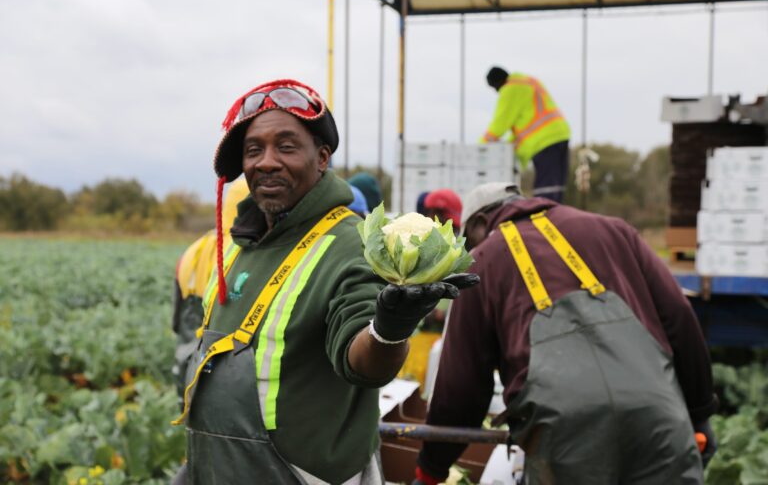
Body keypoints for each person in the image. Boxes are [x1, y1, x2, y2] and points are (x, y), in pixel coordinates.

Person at [172, 79, 478, 485]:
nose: (266, 161)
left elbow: (363, 363)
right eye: (253, 149)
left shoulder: (352, 244)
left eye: (286, 145)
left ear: (321, 158)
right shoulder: (239, 244)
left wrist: (389, 330)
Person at [414, 183, 718, 485]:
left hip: (564, 441)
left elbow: (461, 386)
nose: (472, 250)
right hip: (659, 420)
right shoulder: (614, 230)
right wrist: (700, 412)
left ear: (480, 223)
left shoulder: (482, 263)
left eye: (470, 241)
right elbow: (679, 318)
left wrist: (431, 469)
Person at [171, 178, 249, 409]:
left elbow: (176, 322)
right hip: (230, 386)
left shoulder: (194, 250)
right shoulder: (248, 252)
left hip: (187, 369)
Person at [481, 66, 571, 203]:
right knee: (555, 187)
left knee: (545, 188)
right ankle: (556, 219)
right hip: (560, 134)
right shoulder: (528, 81)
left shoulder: (510, 89)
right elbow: (526, 121)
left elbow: (499, 125)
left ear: (497, 83)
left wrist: (480, 147)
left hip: (544, 140)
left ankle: (545, 219)